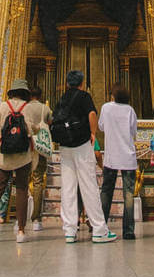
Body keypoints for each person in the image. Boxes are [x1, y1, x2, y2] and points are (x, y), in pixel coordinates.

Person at [51, 69, 116, 243]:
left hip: (65, 146)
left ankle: (70, 230)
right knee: (89, 186)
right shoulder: (84, 96)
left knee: (68, 187)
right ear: (81, 83)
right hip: (81, 145)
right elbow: (92, 114)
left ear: (67, 83)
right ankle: (99, 229)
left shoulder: (63, 98)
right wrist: (93, 133)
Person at [0, 79, 39, 244]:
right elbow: (33, 128)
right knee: (21, 190)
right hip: (23, 155)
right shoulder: (28, 108)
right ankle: (20, 230)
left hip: (4, 156)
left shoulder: (3, 106)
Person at [98, 84, 137, 240]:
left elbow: (100, 126)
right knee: (128, 194)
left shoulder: (106, 108)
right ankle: (128, 230)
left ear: (112, 96)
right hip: (128, 156)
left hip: (111, 157)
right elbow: (134, 131)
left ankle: (101, 226)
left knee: (106, 191)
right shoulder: (130, 110)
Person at [27, 84, 52, 232]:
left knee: (23, 181)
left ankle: (20, 218)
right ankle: (36, 218)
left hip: (26, 147)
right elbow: (50, 121)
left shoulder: (24, 108)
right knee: (37, 181)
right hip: (40, 148)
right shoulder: (45, 108)